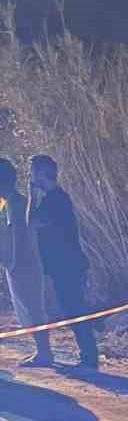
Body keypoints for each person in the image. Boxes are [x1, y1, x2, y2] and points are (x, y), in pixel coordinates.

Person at [27, 155, 99, 369]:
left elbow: (32, 223)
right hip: (65, 266)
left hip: (69, 266)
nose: (30, 176)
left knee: (74, 310)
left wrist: (31, 195)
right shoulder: (54, 198)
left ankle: (89, 358)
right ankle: (87, 356)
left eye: (32, 171)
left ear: (41, 173)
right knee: (72, 309)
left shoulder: (55, 199)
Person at [0, 157, 53, 368]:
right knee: (27, 309)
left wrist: (13, 263)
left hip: (23, 264)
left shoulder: (15, 203)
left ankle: (45, 353)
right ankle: (42, 351)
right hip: (16, 264)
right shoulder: (8, 202)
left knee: (32, 309)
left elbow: (20, 235)